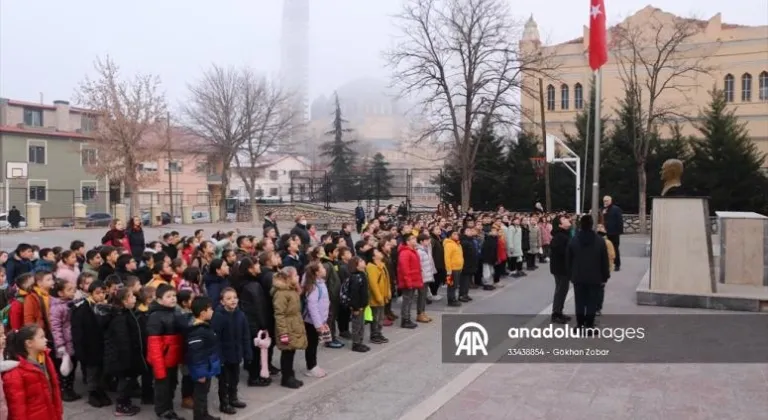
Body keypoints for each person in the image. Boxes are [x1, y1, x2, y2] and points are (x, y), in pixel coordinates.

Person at [2, 324, 63, 420]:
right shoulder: (15, 373)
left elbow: (54, 390)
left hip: (51, 413)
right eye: (42, 337)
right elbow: (18, 407)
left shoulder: (46, 359)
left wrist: (58, 412)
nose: (46, 340)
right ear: (29, 343)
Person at [100, 287, 143, 416]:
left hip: (124, 355)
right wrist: (127, 360)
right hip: (121, 357)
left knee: (126, 380)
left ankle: (125, 402)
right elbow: (122, 340)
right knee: (125, 381)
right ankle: (121, 406)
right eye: (131, 296)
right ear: (124, 301)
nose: (135, 298)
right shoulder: (120, 317)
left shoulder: (125, 312)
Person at [147, 284, 185, 420]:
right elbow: (154, 346)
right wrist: (159, 367)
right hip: (163, 360)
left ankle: (169, 409)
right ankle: (162, 411)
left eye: (174, 296)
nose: (173, 299)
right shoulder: (156, 316)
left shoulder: (176, 311)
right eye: (168, 296)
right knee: (162, 387)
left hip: (172, 359)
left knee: (172, 385)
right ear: (159, 299)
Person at [566, 215, 610, 330]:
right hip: (595, 277)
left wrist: (570, 274)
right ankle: (589, 325)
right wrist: (605, 276)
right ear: (592, 225)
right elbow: (604, 260)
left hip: (578, 276)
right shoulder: (600, 241)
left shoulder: (574, 240)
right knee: (592, 302)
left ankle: (580, 324)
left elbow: (569, 259)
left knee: (579, 301)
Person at [211, 288, 251, 414]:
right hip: (224, 355)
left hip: (236, 353)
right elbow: (215, 339)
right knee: (224, 381)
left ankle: (233, 398)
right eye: (228, 298)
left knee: (235, 378)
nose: (233, 300)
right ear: (222, 302)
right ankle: (224, 403)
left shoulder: (241, 314)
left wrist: (247, 352)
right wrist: (219, 358)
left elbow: (245, 335)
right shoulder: (218, 316)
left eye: (234, 297)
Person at [71, 280, 110, 407]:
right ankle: (93, 394)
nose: (101, 296)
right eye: (98, 293)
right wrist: (80, 351)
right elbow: (77, 331)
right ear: (91, 293)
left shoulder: (105, 307)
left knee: (102, 371)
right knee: (92, 372)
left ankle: (101, 391)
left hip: (102, 345)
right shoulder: (82, 308)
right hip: (89, 346)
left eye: (104, 293)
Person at [186, 296, 221, 420]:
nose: (212, 311)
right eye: (210, 309)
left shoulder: (205, 326)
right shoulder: (197, 331)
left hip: (207, 366)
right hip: (202, 369)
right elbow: (196, 354)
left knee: (204, 392)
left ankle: (204, 414)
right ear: (202, 313)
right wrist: (200, 373)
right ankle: (199, 417)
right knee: (200, 394)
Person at [272, 269, 307, 389]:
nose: (298, 277)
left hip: (294, 324)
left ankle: (290, 375)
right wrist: (283, 333)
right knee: (287, 352)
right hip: (287, 326)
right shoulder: (281, 293)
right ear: (288, 278)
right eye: (296, 275)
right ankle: (286, 377)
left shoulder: (291, 290)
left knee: (291, 351)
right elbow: (279, 314)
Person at [49, 279, 80, 402]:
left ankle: (70, 389)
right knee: (64, 370)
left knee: (72, 367)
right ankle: (63, 391)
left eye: (74, 289)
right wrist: (60, 345)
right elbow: (55, 328)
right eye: (69, 290)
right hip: (63, 345)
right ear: (61, 293)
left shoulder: (71, 303)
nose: (73, 292)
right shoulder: (57, 308)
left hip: (72, 341)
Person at [301, 262, 330, 378]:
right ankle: (311, 367)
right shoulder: (314, 287)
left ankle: (314, 365)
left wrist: (323, 320)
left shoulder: (321, 283)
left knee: (314, 343)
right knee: (311, 344)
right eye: (322, 267)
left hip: (319, 320)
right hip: (311, 322)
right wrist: (318, 324)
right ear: (317, 273)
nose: (324, 269)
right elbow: (312, 307)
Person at [548, 215, 573, 324]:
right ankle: (556, 314)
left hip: (561, 268)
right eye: (564, 219)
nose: (567, 219)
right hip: (561, 268)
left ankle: (559, 312)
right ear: (560, 225)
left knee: (561, 290)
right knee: (561, 291)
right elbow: (564, 253)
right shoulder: (560, 237)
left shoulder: (564, 235)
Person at [397, 233, 423, 329]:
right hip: (408, 281)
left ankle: (407, 318)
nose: (415, 239)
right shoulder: (405, 252)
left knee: (409, 300)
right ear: (407, 242)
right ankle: (405, 320)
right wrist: (408, 282)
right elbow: (404, 269)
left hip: (412, 280)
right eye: (412, 238)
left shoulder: (412, 251)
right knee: (407, 301)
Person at [346, 257, 369, 353]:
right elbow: (354, 294)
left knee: (361, 325)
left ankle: (360, 341)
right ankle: (355, 343)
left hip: (362, 305)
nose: (363, 262)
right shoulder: (355, 277)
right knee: (357, 325)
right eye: (360, 261)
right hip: (357, 306)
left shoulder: (362, 274)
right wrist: (355, 307)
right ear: (355, 265)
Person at [442, 229, 464, 307]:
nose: (457, 235)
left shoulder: (458, 244)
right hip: (452, 269)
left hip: (458, 268)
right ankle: (451, 300)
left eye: (457, 234)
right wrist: (449, 270)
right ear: (450, 235)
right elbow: (447, 258)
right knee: (451, 285)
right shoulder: (449, 244)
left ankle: (453, 298)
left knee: (455, 285)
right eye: (454, 234)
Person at [602, 195, 623, 271]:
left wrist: (619, 231)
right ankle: (607, 264)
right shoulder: (603, 209)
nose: (605, 202)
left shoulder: (616, 209)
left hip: (614, 233)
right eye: (604, 201)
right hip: (605, 232)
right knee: (605, 249)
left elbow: (620, 221)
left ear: (610, 201)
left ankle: (617, 264)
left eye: (607, 201)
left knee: (615, 248)